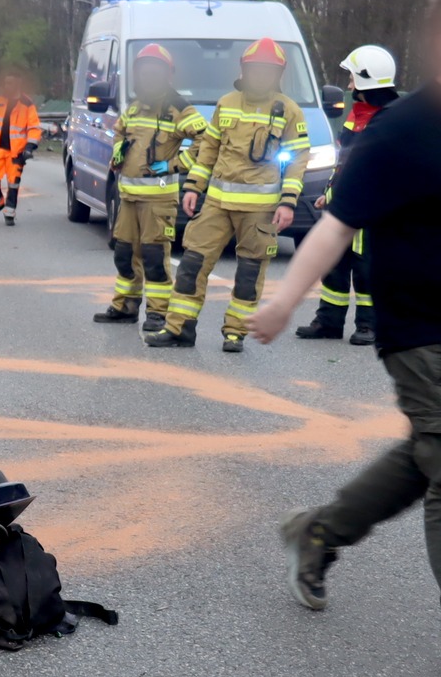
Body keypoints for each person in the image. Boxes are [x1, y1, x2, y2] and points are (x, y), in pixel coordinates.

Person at [249, 40, 441, 611]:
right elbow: (336, 225)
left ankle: (319, 532)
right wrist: (284, 302)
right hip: (419, 325)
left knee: (425, 453)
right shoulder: (400, 131)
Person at [148, 36, 308, 352]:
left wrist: (288, 202)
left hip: (260, 211)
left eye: (268, 70)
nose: (261, 75)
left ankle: (235, 332)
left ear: (278, 74)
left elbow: (298, 159)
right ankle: (179, 329)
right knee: (193, 263)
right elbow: (209, 149)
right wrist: (194, 187)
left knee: (249, 273)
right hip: (217, 205)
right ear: (244, 70)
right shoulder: (227, 103)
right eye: (255, 69)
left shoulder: (288, 111)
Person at [93, 43, 208, 328]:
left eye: (154, 71)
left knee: (155, 257)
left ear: (167, 74)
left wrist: (174, 165)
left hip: (158, 200)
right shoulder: (134, 106)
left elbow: (206, 142)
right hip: (128, 198)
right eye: (144, 71)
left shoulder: (179, 107)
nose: (148, 76)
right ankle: (125, 306)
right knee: (124, 254)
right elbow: (120, 130)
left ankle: (157, 313)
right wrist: (118, 149)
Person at [295, 45, 400, 346]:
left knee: (366, 268)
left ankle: (369, 325)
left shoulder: (391, 119)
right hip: (344, 203)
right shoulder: (357, 115)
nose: (349, 84)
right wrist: (328, 192)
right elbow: (344, 161)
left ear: (366, 80)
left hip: (373, 209)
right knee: (333, 263)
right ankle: (329, 321)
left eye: (352, 78)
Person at [0, 70, 44, 225]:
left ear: (18, 84)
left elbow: (34, 127)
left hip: (16, 152)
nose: (6, 86)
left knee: (13, 182)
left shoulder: (27, 104)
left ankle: (9, 213)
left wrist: (29, 147)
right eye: (5, 83)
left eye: (10, 83)